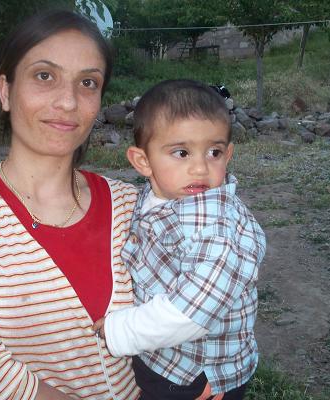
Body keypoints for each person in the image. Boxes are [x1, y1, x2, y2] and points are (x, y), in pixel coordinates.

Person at [0, 9, 140, 400]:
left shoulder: (132, 205)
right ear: (5, 91)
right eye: (44, 76)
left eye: (87, 82)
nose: (68, 102)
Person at [93, 79, 267, 400]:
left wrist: (118, 330)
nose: (200, 168)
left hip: (196, 377)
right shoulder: (160, 197)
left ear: (228, 154)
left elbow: (191, 313)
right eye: (182, 152)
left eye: (214, 152)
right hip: (166, 359)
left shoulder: (218, 227)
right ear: (143, 161)